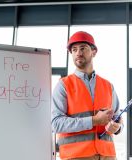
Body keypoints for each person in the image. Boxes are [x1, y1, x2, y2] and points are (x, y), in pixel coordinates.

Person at [51, 31, 123, 160]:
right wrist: (94, 120)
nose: (78, 52)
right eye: (74, 49)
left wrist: (117, 127)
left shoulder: (108, 86)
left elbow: (118, 117)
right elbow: (56, 123)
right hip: (76, 156)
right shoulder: (63, 85)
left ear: (94, 52)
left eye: (83, 48)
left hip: (107, 155)